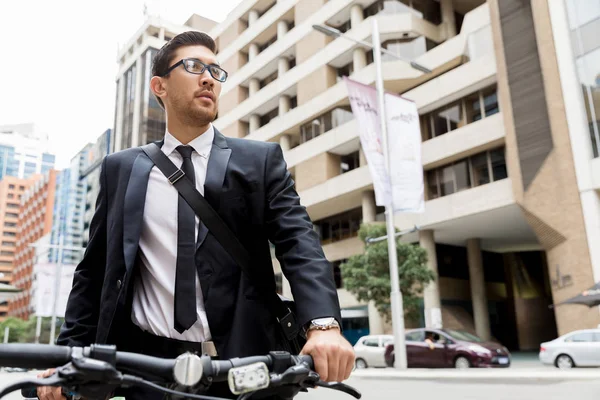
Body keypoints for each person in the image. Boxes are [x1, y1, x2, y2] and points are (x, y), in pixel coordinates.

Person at [37, 30, 354, 400]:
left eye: (216, 72)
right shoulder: (119, 169)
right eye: (193, 66)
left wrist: (324, 325)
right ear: (160, 86)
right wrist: (67, 355)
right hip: (147, 370)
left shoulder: (260, 160)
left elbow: (299, 243)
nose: (208, 78)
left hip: (245, 367)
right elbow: (93, 273)